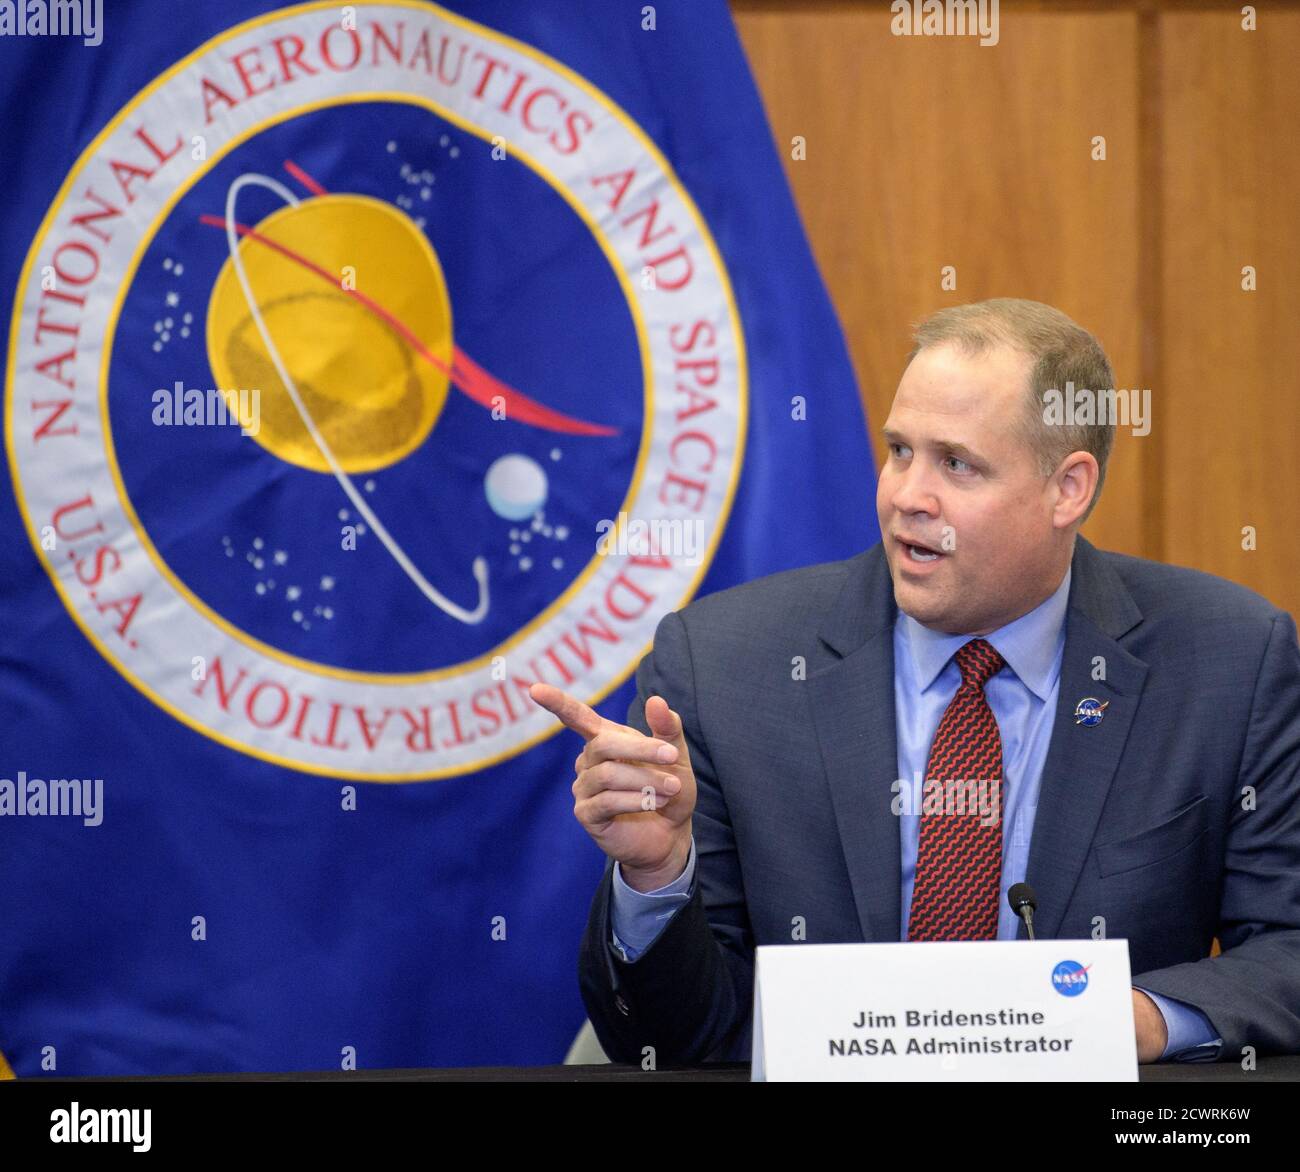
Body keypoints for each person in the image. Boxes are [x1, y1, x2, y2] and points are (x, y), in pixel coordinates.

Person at [530, 298, 1300, 1066]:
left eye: (956, 463)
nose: (906, 497)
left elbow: (1288, 946)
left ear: (1068, 489)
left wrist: (1131, 1020)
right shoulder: (724, 666)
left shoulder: (1226, 661)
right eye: (899, 451)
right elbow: (672, 1037)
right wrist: (657, 875)